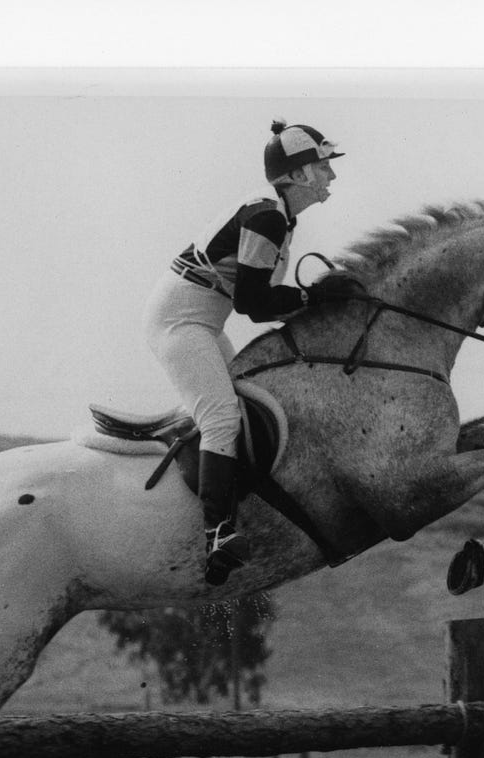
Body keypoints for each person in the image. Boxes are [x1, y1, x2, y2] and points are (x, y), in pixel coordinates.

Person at [144, 120, 343, 585]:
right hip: (181, 320)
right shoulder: (269, 217)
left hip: (202, 317)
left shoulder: (279, 216)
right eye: (322, 167)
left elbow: (257, 299)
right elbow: (252, 305)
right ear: (296, 176)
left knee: (251, 401)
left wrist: (312, 301)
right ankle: (217, 533)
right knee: (221, 419)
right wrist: (314, 299)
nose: (330, 176)